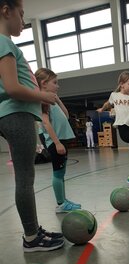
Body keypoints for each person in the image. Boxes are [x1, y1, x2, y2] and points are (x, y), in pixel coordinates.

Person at [0, 0, 64, 252]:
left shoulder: (6, 43)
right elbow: (13, 88)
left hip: (14, 115)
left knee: (25, 177)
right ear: (6, 10)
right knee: (25, 179)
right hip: (16, 114)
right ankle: (31, 237)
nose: (24, 21)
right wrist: (43, 96)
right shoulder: (4, 42)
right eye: (22, 14)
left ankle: (33, 230)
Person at [35, 67, 82, 213]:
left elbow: (66, 115)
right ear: (44, 83)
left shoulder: (51, 99)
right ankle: (61, 204)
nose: (58, 85)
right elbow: (46, 123)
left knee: (61, 173)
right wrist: (56, 143)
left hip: (61, 140)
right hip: (56, 141)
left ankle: (63, 200)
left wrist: (58, 99)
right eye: (55, 82)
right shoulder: (42, 99)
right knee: (57, 173)